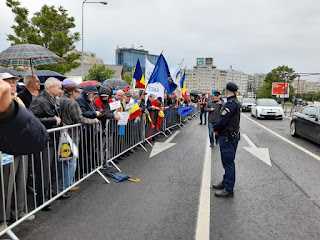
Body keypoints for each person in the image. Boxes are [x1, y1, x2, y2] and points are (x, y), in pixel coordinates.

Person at [30, 77, 63, 209]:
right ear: (50, 87)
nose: (60, 90)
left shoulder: (51, 99)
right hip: (44, 140)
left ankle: (48, 196)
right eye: (58, 87)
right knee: (43, 171)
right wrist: (52, 120)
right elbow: (33, 119)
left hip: (52, 138)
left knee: (50, 169)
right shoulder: (40, 100)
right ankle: (42, 201)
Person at [212, 82, 241, 198]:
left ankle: (229, 189)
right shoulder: (234, 102)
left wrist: (215, 128)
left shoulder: (230, 104)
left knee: (228, 163)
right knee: (227, 162)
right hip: (231, 136)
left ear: (228, 91)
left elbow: (223, 120)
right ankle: (225, 182)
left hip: (228, 137)